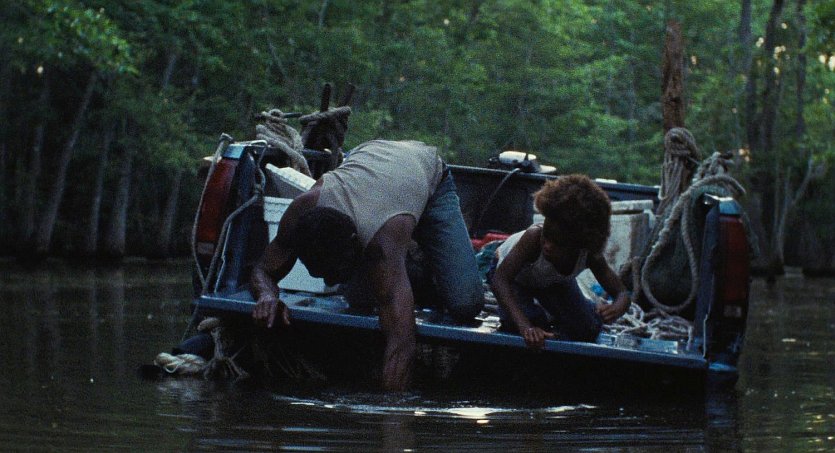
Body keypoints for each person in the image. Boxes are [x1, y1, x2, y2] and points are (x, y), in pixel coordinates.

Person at [250, 139, 485, 391]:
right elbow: (263, 269)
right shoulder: (302, 211)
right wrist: (267, 295)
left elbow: (402, 344)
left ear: (356, 244)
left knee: (465, 304)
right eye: (322, 274)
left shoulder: (382, 246)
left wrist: (387, 409)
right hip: (367, 162)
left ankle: (418, 265)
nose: (329, 282)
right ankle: (406, 268)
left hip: (425, 173)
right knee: (359, 300)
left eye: (334, 272)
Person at [489, 174, 629, 349]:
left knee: (588, 328)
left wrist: (617, 307)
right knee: (529, 326)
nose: (547, 246)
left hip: (551, 282)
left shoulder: (589, 254)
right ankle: (541, 318)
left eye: (558, 243)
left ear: (580, 245)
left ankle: (558, 317)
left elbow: (622, 292)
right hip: (513, 279)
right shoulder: (533, 238)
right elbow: (500, 281)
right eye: (546, 236)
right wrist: (525, 326)